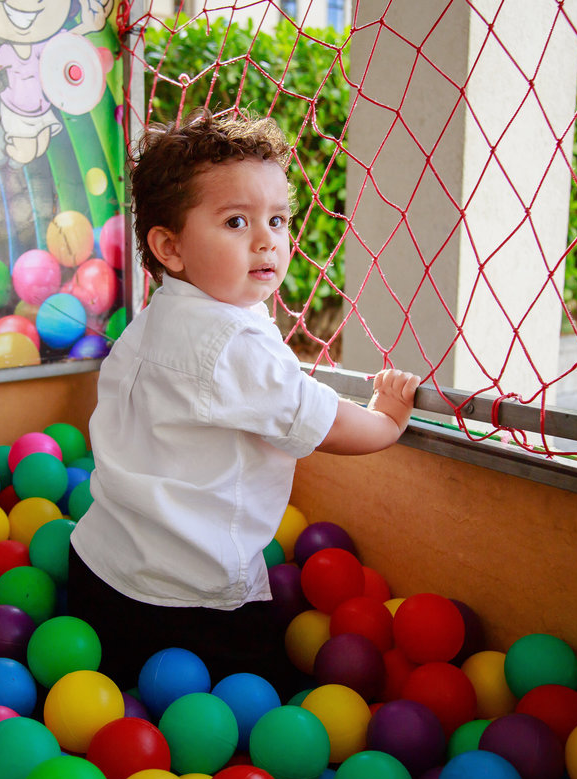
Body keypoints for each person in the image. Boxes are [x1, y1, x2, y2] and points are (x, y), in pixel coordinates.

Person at [67, 109, 420, 695]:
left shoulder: (158, 315)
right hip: (187, 601)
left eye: (277, 220)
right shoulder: (233, 342)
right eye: (236, 221)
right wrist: (385, 421)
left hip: (99, 565)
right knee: (259, 701)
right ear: (170, 247)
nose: (267, 240)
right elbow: (320, 419)